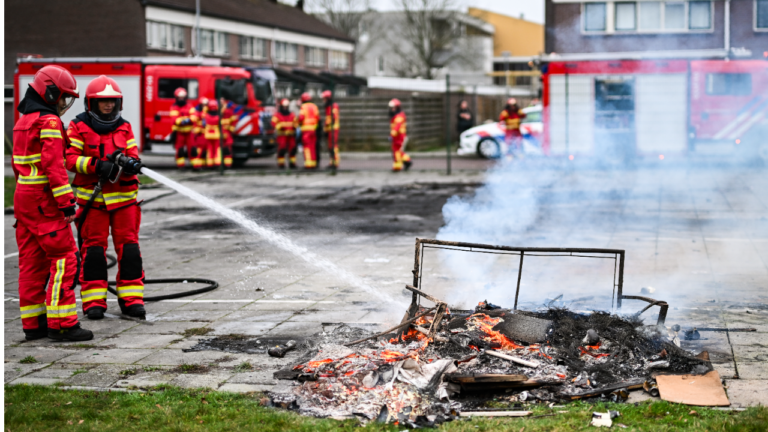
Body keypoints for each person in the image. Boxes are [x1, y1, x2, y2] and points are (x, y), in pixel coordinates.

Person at [12, 65, 93, 341]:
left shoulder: (22, 120)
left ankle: (33, 325)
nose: (63, 104)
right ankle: (63, 325)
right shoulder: (48, 122)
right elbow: (54, 165)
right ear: (49, 92)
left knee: (31, 263)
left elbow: (18, 166)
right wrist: (66, 203)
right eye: (62, 97)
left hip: (24, 200)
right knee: (64, 259)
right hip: (43, 201)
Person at [66, 75, 145, 320]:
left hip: (125, 202)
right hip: (94, 203)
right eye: (104, 101)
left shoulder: (125, 126)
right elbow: (70, 159)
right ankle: (93, 302)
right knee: (94, 253)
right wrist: (96, 166)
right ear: (91, 103)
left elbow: (132, 151)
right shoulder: (77, 127)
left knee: (130, 251)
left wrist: (132, 163)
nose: (109, 105)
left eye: (112, 101)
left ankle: (132, 300)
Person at [170, 88, 197, 170]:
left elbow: (194, 117)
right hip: (179, 132)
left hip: (189, 132)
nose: (181, 99)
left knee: (192, 149)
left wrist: (185, 120)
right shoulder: (174, 107)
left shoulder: (190, 106)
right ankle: (181, 166)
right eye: (179, 97)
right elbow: (175, 120)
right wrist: (187, 120)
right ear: (176, 98)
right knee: (180, 150)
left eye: (183, 97)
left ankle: (195, 166)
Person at [272, 98, 298, 169]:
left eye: (286, 107)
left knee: (292, 149)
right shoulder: (277, 115)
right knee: (282, 149)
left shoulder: (292, 114)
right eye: (284, 106)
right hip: (282, 135)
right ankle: (281, 164)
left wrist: (295, 126)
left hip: (291, 135)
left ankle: (292, 163)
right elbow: (273, 123)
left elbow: (296, 122)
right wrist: (279, 126)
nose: (285, 108)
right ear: (281, 106)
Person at [297, 93, 320, 169]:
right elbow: (318, 118)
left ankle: (308, 164)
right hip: (313, 130)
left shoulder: (303, 107)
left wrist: (297, 123)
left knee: (307, 148)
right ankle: (313, 163)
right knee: (313, 147)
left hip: (306, 131)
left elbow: (301, 118)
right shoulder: (315, 106)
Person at [388, 98, 412, 172]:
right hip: (397, 137)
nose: (392, 109)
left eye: (393, 108)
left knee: (397, 152)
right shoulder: (398, 115)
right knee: (397, 151)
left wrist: (392, 135)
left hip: (399, 137)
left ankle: (401, 165)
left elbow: (397, 127)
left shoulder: (399, 116)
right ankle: (406, 162)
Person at [322, 90, 340, 170]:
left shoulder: (333, 106)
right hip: (330, 129)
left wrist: (326, 125)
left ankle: (335, 162)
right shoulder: (328, 106)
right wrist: (325, 129)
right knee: (330, 146)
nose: (323, 100)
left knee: (333, 146)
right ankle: (332, 162)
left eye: (324, 98)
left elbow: (333, 117)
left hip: (333, 129)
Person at [190, 97, 209, 170]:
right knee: (199, 151)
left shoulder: (206, 113)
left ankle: (203, 165)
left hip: (205, 135)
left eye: (206, 105)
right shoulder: (197, 113)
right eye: (203, 105)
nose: (205, 106)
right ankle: (196, 166)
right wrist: (198, 130)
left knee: (204, 151)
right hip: (199, 135)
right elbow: (194, 124)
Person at [203, 99, 223, 168]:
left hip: (208, 135)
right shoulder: (218, 116)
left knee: (209, 150)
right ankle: (217, 164)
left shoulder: (206, 116)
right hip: (216, 135)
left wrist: (205, 107)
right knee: (217, 150)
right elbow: (220, 124)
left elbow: (203, 122)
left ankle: (209, 164)